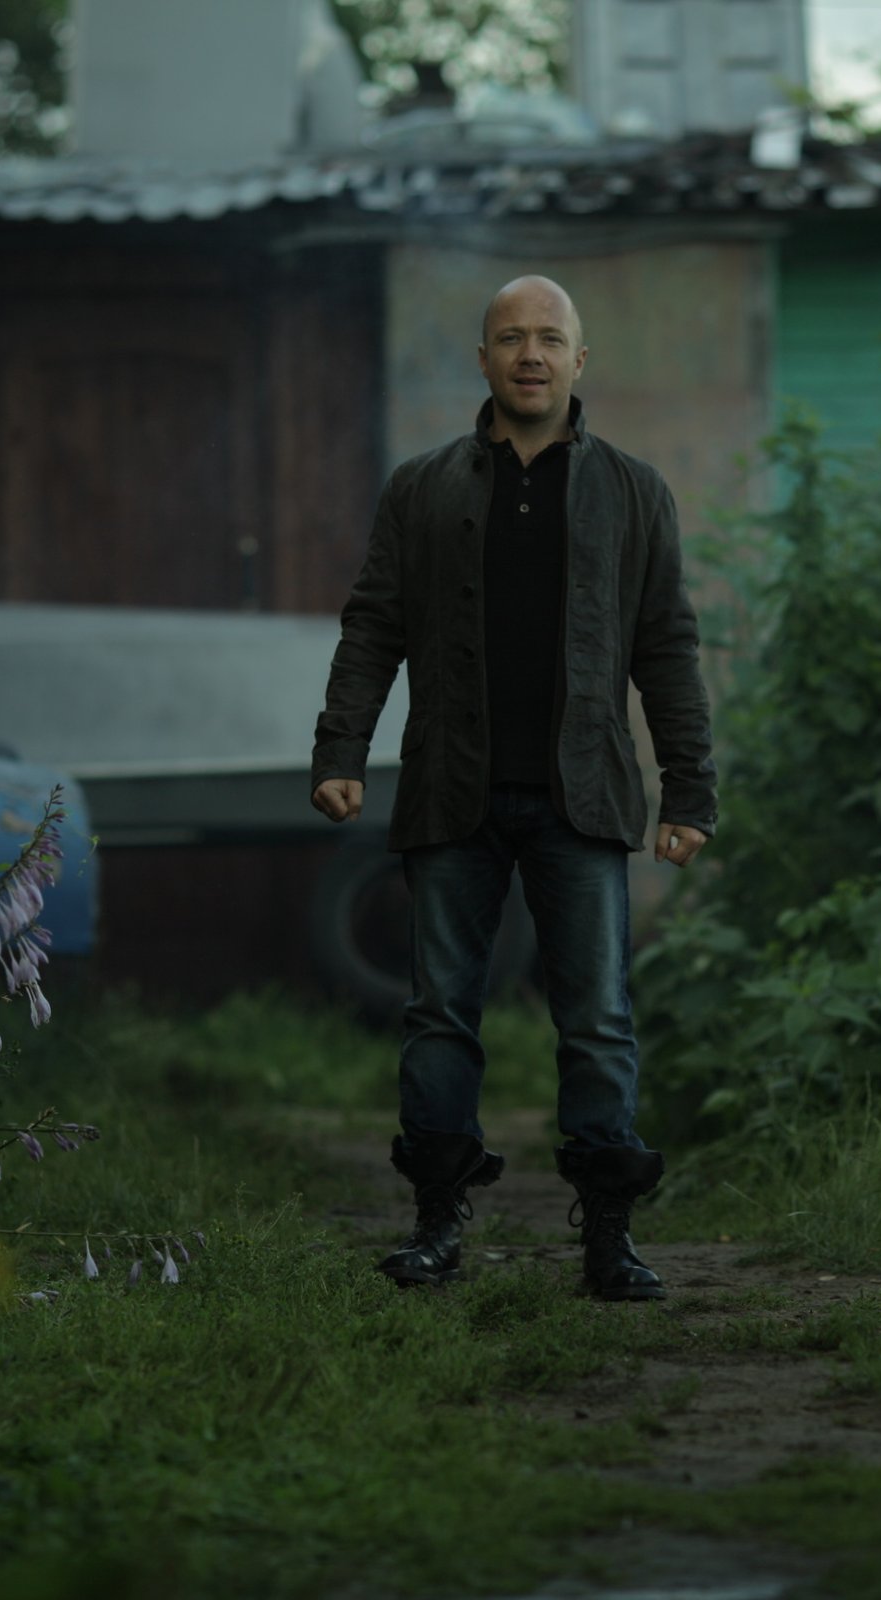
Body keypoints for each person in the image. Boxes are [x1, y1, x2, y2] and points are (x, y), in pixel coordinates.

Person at [307, 275, 718, 1302]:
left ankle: (609, 1237)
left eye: (549, 338)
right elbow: (373, 627)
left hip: (585, 796)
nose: (531, 355)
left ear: (580, 360)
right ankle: (436, 1223)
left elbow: (667, 648)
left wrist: (689, 792)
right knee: (441, 1013)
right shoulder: (422, 488)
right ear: (483, 359)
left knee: (598, 1018)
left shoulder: (634, 492)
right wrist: (341, 751)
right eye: (510, 338)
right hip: (454, 793)